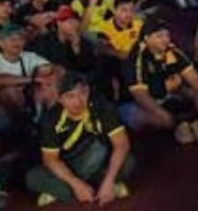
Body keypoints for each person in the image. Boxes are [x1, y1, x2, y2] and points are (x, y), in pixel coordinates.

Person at [25, 72, 133, 207]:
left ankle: (70, 191)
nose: (78, 101)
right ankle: (92, 188)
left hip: (97, 160)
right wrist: (76, 183)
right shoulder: (51, 118)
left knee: (127, 161)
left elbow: (121, 144)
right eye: (70, 96)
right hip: (68, 164)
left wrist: (109, 180)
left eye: (82, 94)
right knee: (32, 177)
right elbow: (50, 159)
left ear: (87, 91)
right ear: (60, 99)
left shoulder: (102, 106)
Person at [122, 20, 198, 143]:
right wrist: (163, 115)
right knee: (158, 120)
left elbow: (194, 78)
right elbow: (141, 96)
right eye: (159, 36)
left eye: (167, 35)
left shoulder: (172, 50)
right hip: (135, 103)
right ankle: (178, 127)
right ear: (147, 38)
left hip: (166, 94)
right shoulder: (137, 58)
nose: (165, 39)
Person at [0, 23, 54, 123]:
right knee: (10, 92)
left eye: (20, 39)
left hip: (30, 105)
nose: (17, 43)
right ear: (1, 43)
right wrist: (31, 79)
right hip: (2, 115)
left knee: (49, 82)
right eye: (12, 39)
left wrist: (39, 76)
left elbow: (49, 68)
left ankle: (45, 121)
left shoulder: (30, 57)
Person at [29, 4, 97, 77]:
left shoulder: (84, 43)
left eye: (75, 21)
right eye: (68, 21)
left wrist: (77, 49)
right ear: (59, 23)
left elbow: (89, 68)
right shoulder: (44, 41)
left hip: (75, 80)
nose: (73, 24)